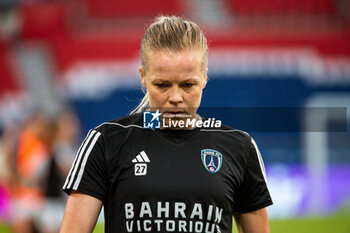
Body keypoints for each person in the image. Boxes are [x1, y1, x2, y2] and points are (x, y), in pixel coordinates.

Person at [60, 16, 273, 233]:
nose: (176, 97)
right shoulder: (106, 141)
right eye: (162, 85)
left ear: (204, 77)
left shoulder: (239, 147)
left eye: (188, 85)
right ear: (143, 77)